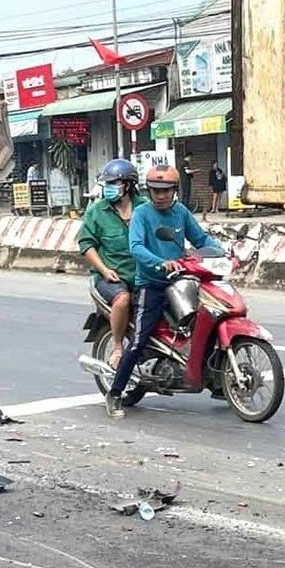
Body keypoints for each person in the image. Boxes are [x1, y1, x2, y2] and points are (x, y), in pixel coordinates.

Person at [104, 163, 220, 419]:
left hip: (182, 280)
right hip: (152, 283)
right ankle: (115, 393)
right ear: (149, 190)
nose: (161, 195)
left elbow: (201, 239)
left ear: (175, 190)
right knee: (138, 341)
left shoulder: (181, 213)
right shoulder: (142, 214)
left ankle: (216, 380)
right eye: (156, 190)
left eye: (166, 190)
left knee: (206, 321)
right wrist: (159, 262)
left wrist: (223, 252)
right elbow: (135, 247)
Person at [77, 158, 144, 369]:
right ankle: (117, 347)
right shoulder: (97, 211)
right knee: (122, 298)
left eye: (114, 184)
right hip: (111, 277)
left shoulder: (145, 208)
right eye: (107, 184)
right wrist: (104, 270)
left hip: (143, 275)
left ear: (129, 185)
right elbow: (86, 244)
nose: (110, 188)